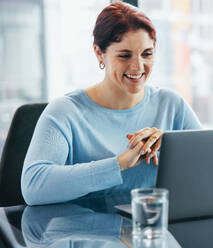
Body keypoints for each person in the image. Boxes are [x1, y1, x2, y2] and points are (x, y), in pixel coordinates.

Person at [21, 2, 202, 206]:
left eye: (147, 54)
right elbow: (34, 186)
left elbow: (209, 169)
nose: (138, 67)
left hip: (153, 230)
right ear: (99, 53)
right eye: (124, 55)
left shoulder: (172, 105)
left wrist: (172, 143)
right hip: (85, 233)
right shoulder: (65, 111)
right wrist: (119, 164)